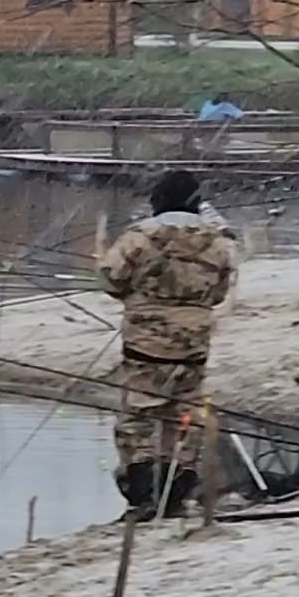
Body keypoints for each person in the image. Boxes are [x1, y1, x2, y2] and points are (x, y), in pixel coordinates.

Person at [98, 170, 239, 520]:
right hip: (194, 344)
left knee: (139, 415)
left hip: (146, 343)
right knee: (185, 413)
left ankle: (143, 492)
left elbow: (111, 279)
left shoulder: (140, 237)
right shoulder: (218, 241)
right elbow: (220, 293)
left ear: (156, 201)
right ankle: (177, 490)